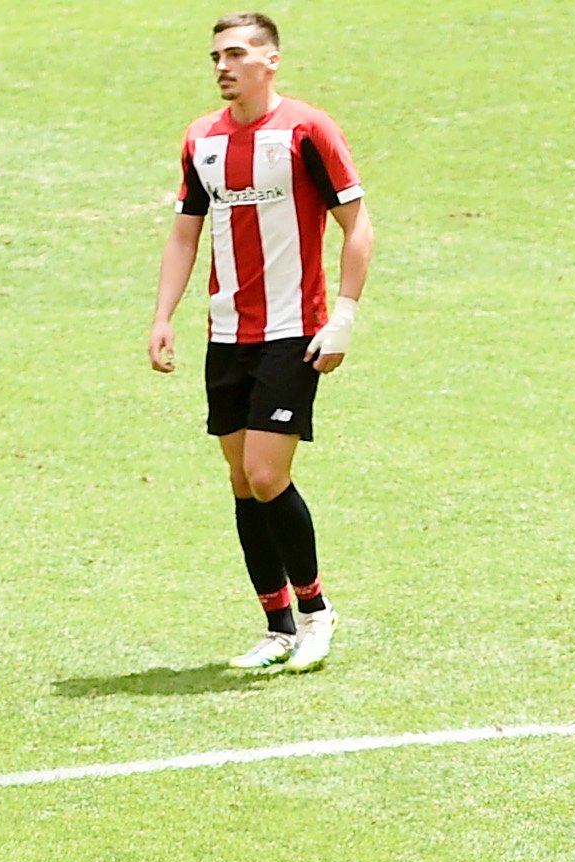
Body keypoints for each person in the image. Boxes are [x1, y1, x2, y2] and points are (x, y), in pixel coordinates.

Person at [149, 12, 372, 673]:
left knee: (269, 474)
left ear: (269, 62)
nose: (223, 65)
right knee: (242, 481)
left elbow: (356, 224)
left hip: (293, 331)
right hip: (227, 333)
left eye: (237, 54)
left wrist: (345, 317)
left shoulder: (306, 129)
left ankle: (316, 613)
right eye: (216, 55)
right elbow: (186, 232)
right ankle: (276, 626)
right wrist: (163, 316)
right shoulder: (201, 140)